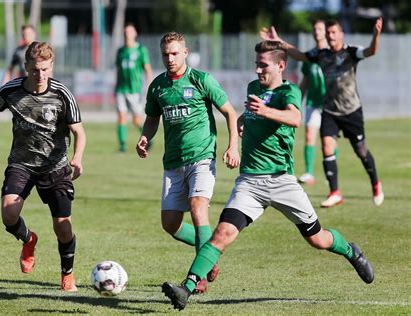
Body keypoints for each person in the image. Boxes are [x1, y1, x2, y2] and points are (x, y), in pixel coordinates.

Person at [161, 41, 374, 311]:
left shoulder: (289, 91)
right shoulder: (253, 89)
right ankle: (187, 288)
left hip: (282, 181)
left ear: (281, 66)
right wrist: (240, 126)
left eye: (263, 64)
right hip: (249, 182)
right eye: (256, 64)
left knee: (317, 239)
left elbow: (295, 118)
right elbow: (248, 116)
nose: (258, 69)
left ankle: (350, 250)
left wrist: (265, 111)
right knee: (222, 233)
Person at [0, 41, 86, 292]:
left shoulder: (62, 94)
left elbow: (79, 132)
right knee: (8, 213)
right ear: (26, 66)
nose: (41, 75)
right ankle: (28, 238)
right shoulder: (11, 91)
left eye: (46, 69)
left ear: (52, 66)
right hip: (21, 164)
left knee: (63, 227)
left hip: (55, 166)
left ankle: (67, 274)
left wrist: (77, 158)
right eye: (36, 69)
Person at [136, 32, 240, 293]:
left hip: (201, 157)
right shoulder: (158, 86)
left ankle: (200, 275)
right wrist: (145, 138)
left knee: (197, 208)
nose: (169, 59)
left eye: (174, 53)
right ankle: (208, 252)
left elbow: (229, 112)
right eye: (165, 54)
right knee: (170, 224)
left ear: (185, 52)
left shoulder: (202, 80)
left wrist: (232, 145)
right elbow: (151, 119)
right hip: (172, 163)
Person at [260, 18, 384, 208]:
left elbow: (371, 51)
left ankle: (375, 183)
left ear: (341, 34)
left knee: (361, 151)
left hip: (351, 111)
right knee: (327, 147)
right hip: (330, 110)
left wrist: (376, 35)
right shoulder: (321, 54)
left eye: (334, 32)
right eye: (328, 33)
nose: (330, 36)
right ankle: (335, 192)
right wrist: (279, 43)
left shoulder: (351, 52)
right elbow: (299, 55)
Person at [297, 20, 327, 185]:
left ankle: (331, 173)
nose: (317, 31)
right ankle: (309, 172)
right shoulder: (309, 56)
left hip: (329, 104)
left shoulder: (331, 54)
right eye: (314, 28)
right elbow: (305, 81)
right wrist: (296, 101)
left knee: (328, 140)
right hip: (312, 103)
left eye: (320, 29)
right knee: (309, 136)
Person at [115, 23, 153, 152]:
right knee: (121, 116)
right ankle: (122, 146)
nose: (127, 34)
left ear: (135, 34)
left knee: (136, 120)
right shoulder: (120, 51)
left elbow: (147, 69)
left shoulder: (141, 50)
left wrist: (149, 86)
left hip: (135, 89)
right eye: (125, 32)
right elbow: (118, 70)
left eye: (129, 32)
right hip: (121, 88)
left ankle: (148, 138)